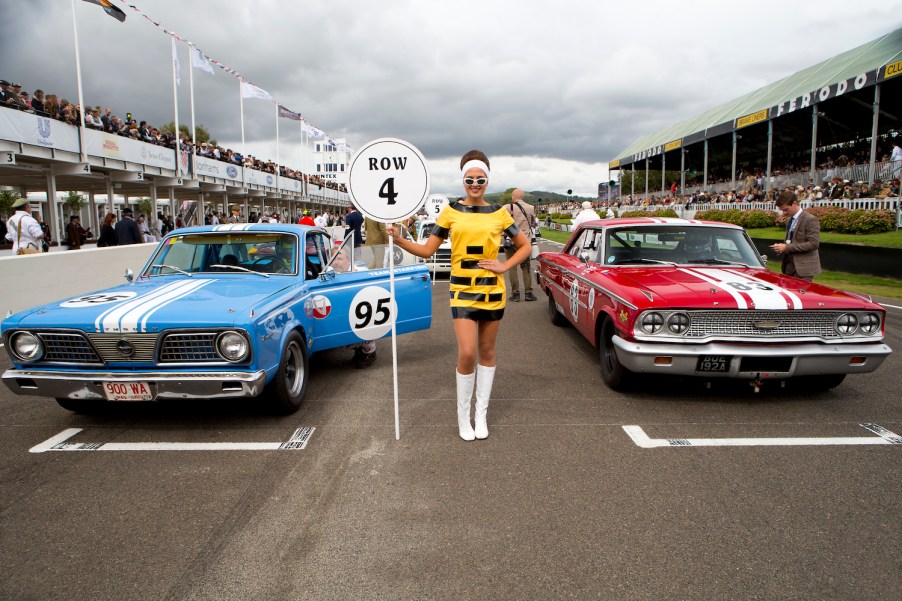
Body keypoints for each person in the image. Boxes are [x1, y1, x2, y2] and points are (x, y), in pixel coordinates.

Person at [387, 150, 530, 441]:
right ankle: (463, 417)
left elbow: (525, 246)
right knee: (467, 352)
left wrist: (504, 265)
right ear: (463, 180)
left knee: (488, 352)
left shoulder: (501, 213)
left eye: (480, 180)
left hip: (492, 290)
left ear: (487, 181)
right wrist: (399, 239)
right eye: (469, 180)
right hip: (462, 290)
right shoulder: (450, 212)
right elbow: (427, 250)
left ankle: (481, 416)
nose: (475, 184)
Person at [329, 247, 377, 368]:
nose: (336, 262)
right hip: (339, 314)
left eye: (339, 258)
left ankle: (369, 352)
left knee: (367, 313)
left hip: (360, 312)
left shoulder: (360, 273)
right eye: (333, 258)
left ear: (348, 260)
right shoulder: (328, 273)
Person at [770, 190, 820, 281]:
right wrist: (781, 248)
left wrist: (786, 247)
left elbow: (814, 244)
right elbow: (791, 240)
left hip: (804, 269)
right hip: (788, 266)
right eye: (782, 210)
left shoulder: (810, 219)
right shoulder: (790, 220)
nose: (784, 213)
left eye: (786, 209)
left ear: (794, 203)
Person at [503, 188, 537, 302]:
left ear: (513, 196)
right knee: (526, 267)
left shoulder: (507, 207)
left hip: (511, 239)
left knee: (512, 267)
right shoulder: (531, 208)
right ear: (522, 196)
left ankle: (515, 293)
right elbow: (533, 224)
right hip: (525, 241)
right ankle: (528, 293)